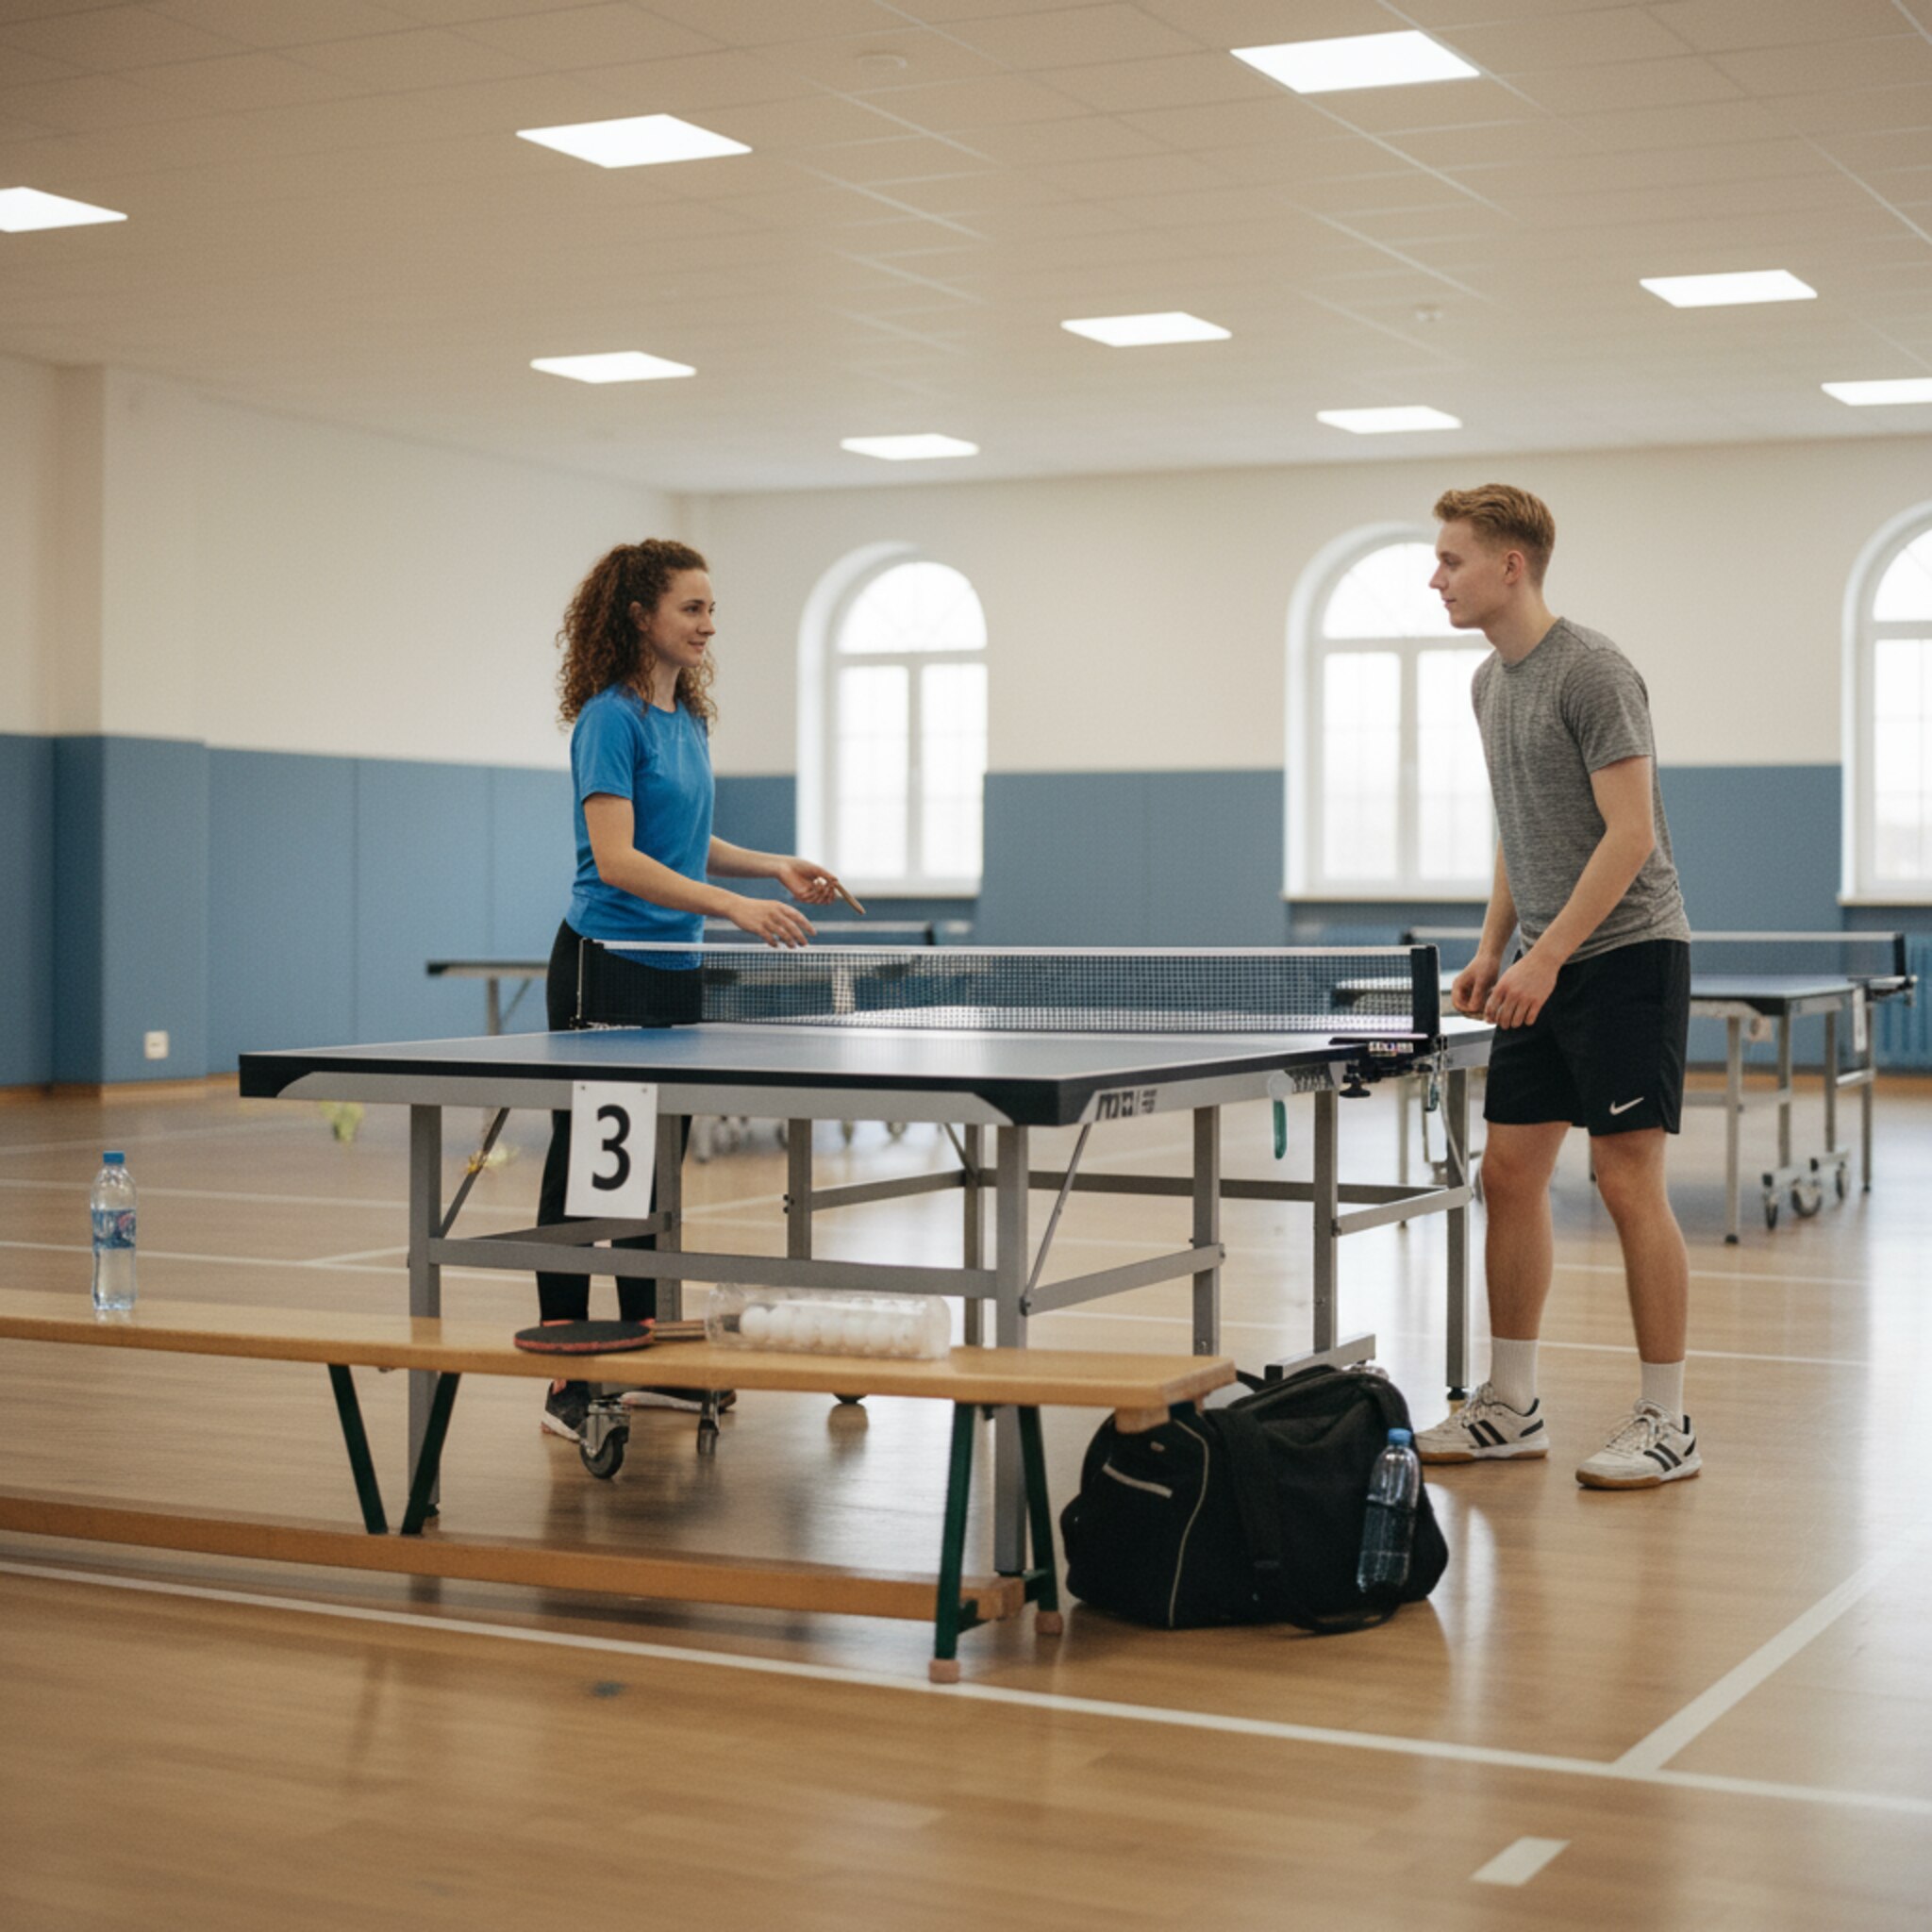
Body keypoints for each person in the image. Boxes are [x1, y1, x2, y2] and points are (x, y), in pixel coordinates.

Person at [1415, 485, 1699, 1490]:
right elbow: (1519, 827)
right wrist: (1495, 944)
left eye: (1450, 559)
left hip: (1626, 956)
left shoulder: (1593, 671)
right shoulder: (1489, 684)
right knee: (1507, 1175)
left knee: (1625, 1181)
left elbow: (1632, 834)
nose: (1435, 576)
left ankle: (1666, 1419)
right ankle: (1510, 1403)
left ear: (1509, 566)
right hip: (1540, 959)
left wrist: (1546, 955)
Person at [537, 538, 843, 1442]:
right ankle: (566, 1373)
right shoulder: (611, 719)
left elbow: (685, 840)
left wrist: (771, 866)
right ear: (640, 616)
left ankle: (645, 1355)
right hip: (607, 962)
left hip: (674, 968)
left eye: (712, 610)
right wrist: (733, 908)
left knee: (651, 1169)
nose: (710, 625)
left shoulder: (686, 720)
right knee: (593, 1168)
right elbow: (622, 859)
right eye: (692, 609)